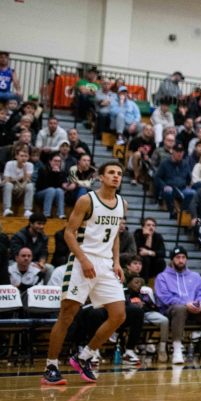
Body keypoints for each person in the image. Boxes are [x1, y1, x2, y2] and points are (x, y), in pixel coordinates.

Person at [41, 162, 127, 385]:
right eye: (111, 173)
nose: (116, 177)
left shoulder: (122, 204)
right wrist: (83, 259)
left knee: (119, 315)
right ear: (100, 177)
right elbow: (68, 233)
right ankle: (50, 366)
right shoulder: (87, 200)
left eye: (119, 174)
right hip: (82, 261)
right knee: (67, 316)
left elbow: (115, 235)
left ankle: (84, 356)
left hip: (106, 265)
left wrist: (117, 262)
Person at [157, 248, 201, 365]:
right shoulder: (163, 277)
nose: (181, 260)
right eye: (178, 257)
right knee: (181, 308)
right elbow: (164, 297)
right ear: (172, 260)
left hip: (195, 310)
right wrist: (185, 303)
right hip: (173, 310)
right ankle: (177, 350)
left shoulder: (195, 276)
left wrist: (200, 303)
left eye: (183, 257)